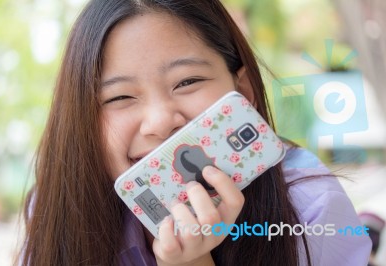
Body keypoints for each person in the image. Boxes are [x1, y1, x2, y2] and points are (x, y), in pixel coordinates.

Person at [18, 0, 371, 265]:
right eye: (120, 97)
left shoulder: (313, 210)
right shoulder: (54, 210)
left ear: (242, 90)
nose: (160, 122)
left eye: (188, 81)